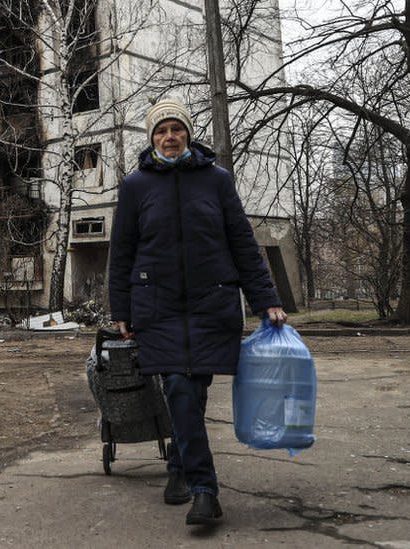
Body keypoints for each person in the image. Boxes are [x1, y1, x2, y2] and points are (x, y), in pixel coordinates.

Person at [108, 98, 287, 526]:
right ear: (151, 139)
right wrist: (122, 307)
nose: (169, 137)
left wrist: (267, 299)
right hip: (158, 305)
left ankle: (178, 468)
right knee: (179, 387)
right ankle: (205, 490)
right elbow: (123, 250)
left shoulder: (216, 180)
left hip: (212, 302)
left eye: (176, 129)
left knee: (195, 388)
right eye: (161, 131)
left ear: (188, 134)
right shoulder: (135, 186)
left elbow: (242, 242)